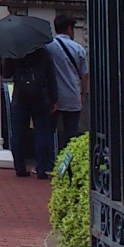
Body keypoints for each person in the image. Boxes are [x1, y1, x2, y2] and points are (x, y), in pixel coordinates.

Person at [6, 47, 58, 179]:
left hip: (20, 96)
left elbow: (6, 74)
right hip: (40, 97)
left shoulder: (15, 51)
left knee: (18, 133)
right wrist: (53, 99)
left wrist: (8, 58)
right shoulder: (44, 52)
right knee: (42, 133)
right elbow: (51, 76)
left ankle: (20, 167)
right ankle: (41, 169)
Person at [45, 13, 89, 150]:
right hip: (73, 96)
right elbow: (84, 74)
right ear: (69, 29)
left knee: (48, 132)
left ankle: (48, 160)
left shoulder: (48, 47)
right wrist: (83, 94)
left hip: (53, 97)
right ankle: (68, 161)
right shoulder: (78, 48)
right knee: (71, 135)